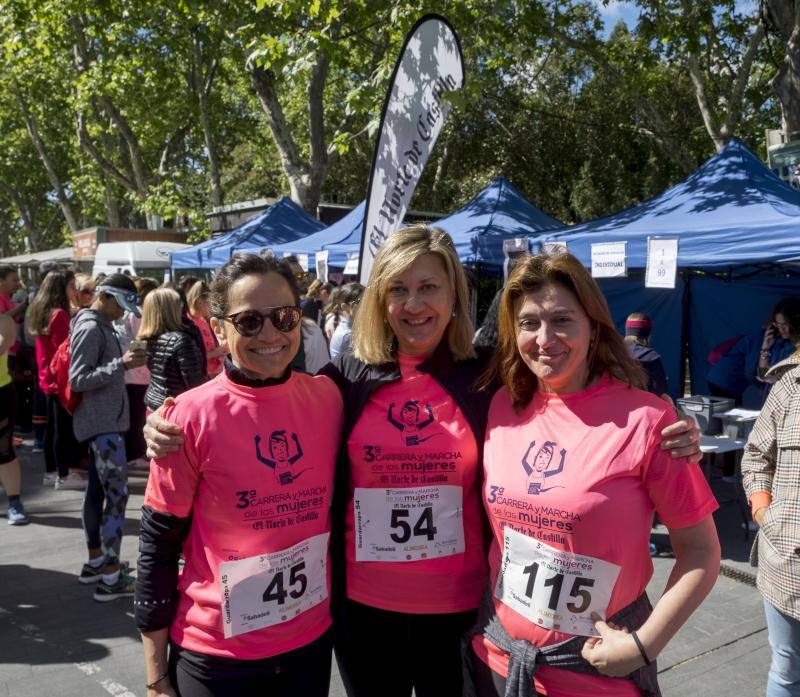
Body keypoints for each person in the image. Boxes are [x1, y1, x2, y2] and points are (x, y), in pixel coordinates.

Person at [142, 230, 703, 697]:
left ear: (454, 294)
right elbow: (262, 409)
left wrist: (667, 420)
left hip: (462, 614)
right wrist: (164, 420)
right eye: (399, 289)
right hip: (363, 612)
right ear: (380, 299)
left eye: (429, 286)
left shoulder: (487, 377)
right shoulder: (349, 378)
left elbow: (574, 389)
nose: (414, 304)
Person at [470, 252, 720, 697]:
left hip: (595, 674)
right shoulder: (502, 406)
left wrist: (645, 645)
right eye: (529, 323)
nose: (545, 339)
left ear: (593, 324)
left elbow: (701, 552)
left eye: (562, 320)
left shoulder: (648, 421)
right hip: (499, 657)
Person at [135, 253, 342, 697]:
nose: (269, 334)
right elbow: (157, 542)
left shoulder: (329, 398)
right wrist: (155, 676)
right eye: (248, 322)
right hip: (216, 656)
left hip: (308, 644)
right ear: (220, 328)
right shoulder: (186, 416)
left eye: (284, 317)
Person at [69, 273, 148, 600]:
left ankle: (97, 563)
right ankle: (111, 577)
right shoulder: (91, 327)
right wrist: (122, 363)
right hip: (102, 426)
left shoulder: (95, 324)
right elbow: (78, 379)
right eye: (122, 305)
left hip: (103, 424)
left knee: (99, 492)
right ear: (106, 297)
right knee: (117, 496)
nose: (124, 313)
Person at [741, 301, 800, 697]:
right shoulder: (788, 384)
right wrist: (764, 510)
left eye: (781, 324)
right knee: (787, 670)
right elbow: (756, 455)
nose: (778, 329)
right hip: (788, 562)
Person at [27, 269, 85, 489]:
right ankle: (63, 474)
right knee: (61, 429)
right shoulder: (60, 313)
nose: (75, 290)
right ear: (63, 287)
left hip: (46, 376)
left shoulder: (42, 309)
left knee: (52, 429)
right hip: (58, 377)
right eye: (72, 285)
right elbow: (65, 349)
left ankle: (52, 472)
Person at [138, 288, 206, 412]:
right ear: (172, 309)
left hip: (153, 405)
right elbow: (195, 384)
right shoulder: (181, 340)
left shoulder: (145, 338)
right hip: (176, 408)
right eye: (178, 304)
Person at [118, 277, 159, 470]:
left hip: (134, 373)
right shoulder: (138, 314)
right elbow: (140, 340)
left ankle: (133, 452)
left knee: (135, 415)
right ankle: (134, 453)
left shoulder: (130, 312)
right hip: (137, 373)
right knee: (136, 417)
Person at [0, 314, 29, 525]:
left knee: (3, 449)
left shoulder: (4, 321)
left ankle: (14, 502)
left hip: (1, 392)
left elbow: (2, 345)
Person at [186, 280, 227, 377]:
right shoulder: (189, 324)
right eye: (210, 304)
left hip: (214, 372)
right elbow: (192, 357)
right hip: (202, 375)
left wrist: (221, 350)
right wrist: (217, 352)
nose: (213, 308)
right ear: (200, 302)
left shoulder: (203, 320)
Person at [624, 312, 669, 396]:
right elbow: (660, 391)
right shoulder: (651, 358)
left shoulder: (614, 354)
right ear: (648, 335)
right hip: (644, 406)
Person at [757, 297, 800, 384]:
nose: (781, 329)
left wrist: (778, 380)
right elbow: (762, 374)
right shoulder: (780, 345)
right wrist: (765, 349)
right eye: (778, 324)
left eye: (785, 325)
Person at [329, 283, 363, 359]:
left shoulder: (351, 330)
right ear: (345, 307)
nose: (366, 307)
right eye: (360, 302)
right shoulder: (348, 336)